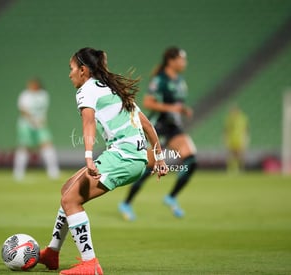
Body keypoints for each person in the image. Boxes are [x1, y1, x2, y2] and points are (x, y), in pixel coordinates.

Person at [37, 47, 168, 275]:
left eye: (71, 69)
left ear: (83, 70)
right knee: (67, 190)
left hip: (123, 156)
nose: (69, 74)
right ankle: (52, 253)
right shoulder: (111, 89)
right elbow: (146, 124)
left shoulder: (86, 90)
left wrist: (88, 157)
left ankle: (90, 265)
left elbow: (88, 124)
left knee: (71, 201)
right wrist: (159, 157)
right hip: (131, 157)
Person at [119, 47, 197, 220]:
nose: (185, 63)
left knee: (191, 159)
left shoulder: (179, 80)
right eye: (182, 59)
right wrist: (171, 108)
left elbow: (175, 104)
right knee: (149, 168)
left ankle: (171, 197)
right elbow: (148, 102)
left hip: (174, 127)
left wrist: (182, 109)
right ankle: (126, 203)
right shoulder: (160, 79)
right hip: (159, 126)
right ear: (171, 60)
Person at [13, 78, 59, 180]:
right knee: (24, 147)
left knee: (47, 145)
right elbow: (23, 110)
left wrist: (39, 121)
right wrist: (32, 120)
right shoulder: (24, 95)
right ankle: (18, 173)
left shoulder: (44, 95)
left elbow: (43, 110)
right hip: (25, 126)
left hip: (40, 126)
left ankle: (53, 172)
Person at [224, 104, 249, 173]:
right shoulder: (228, 119)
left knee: (240, 155)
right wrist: (226, 139)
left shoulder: (243, 118)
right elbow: (226, 130)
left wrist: (245, 139)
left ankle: (241, 169)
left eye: (233, 111)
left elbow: (246, 130)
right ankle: (232, 169)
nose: (232, 112)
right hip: (231, 139)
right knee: (230, 155)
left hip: (240, 139)